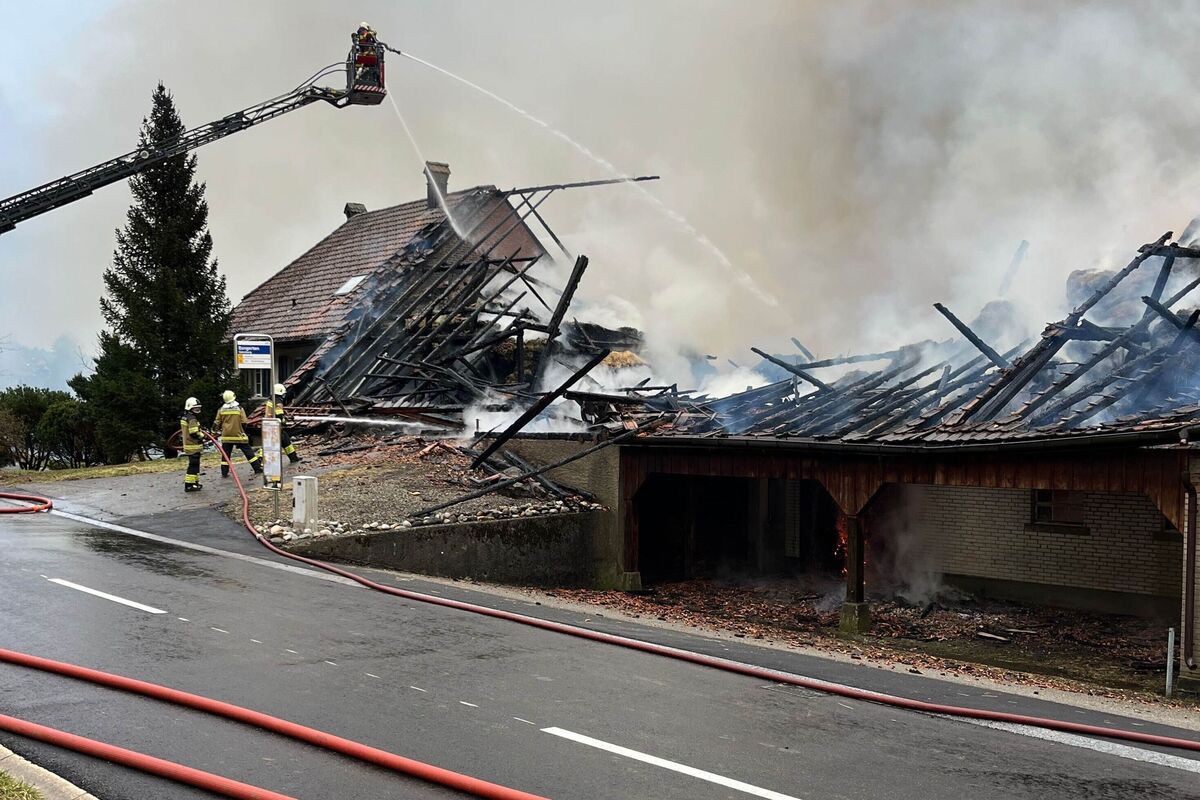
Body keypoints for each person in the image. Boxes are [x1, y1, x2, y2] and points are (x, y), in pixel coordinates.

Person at [213, 389, 262, 479]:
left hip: (226, 436)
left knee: (225, 455)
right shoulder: (239, 408)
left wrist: (213, 431)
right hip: (239, 435)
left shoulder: (221, 410)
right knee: (249, 453)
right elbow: (244, 422)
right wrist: (244, 432)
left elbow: (217, 422)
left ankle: (224, 472)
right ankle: (257, 468)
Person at [262, 383, 301, 464]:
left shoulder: (271, 399)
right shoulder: (278, 402)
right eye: (283, 393)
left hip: (271, 424)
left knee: (286, 441)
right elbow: (279, 415)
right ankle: (260, 459)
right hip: (274, 426)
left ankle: (294, 457)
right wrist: (285, 421)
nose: (284, 395)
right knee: (270, 445)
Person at [180, 397, 206, 493]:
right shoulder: (192, 419)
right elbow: (194, 433)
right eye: (195, 408)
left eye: (198, 408)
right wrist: (202, 436)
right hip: (193, 445)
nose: (198, 410)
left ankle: (194, 483)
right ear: (189, 407)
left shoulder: (185, 417)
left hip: (188, 445)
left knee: (194, 465)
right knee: (193, 466)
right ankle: (189, 485)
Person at [352, 22, 381, 86]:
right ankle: (361, 78)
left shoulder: (365, 35)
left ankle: (362, 78)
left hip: (366, 55)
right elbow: (369, 35)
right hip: (366, 55)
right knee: (371, 67)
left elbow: (373, 36)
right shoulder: (364, 35)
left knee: (370, 68)